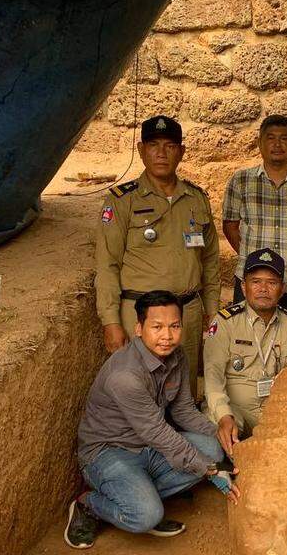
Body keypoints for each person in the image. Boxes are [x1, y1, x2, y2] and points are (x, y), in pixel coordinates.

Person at [66, 291, 239, 550]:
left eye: (174, 326)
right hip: (109, 452)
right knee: (145, 516)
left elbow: (183, 412)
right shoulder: (125, 375)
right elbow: (156, 432)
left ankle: (139, 494)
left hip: (149, 448)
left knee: (212, 448)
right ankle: (89, 504)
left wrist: (225, 438)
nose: (167, 336)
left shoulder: (177, 356)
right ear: (139, 328)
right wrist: (209, 469)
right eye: (157, 327)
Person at [94, 115, 219, 376]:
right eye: (153, 145)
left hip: (187, 315)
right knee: (140, 393)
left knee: (184, 394)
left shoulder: (196, 199)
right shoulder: (122, 200)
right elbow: (107, 265)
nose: (161, 153)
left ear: (181, 152)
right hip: (141, 316)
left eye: (170, 146)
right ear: (141, 150)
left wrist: (212, 310)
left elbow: (209, 260)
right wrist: (111, 322)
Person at [204, 247, 287, 455]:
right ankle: (274, 452)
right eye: (256, 282)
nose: (263, 288)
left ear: (281, 289)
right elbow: (213, 380)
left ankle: (259, 453)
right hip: (238, 413)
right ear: (244, 287)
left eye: (271, 282)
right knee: (216, 424)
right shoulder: (225, 322)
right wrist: (224, 416)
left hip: (276, 415)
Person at [222, 115, 287, 335]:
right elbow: (230, 225)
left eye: (284, 138)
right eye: (270, 138)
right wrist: (248, 255)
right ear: (260, 142)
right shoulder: (240, 181)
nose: (277, 145)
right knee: (245, 346)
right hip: (250, 282)